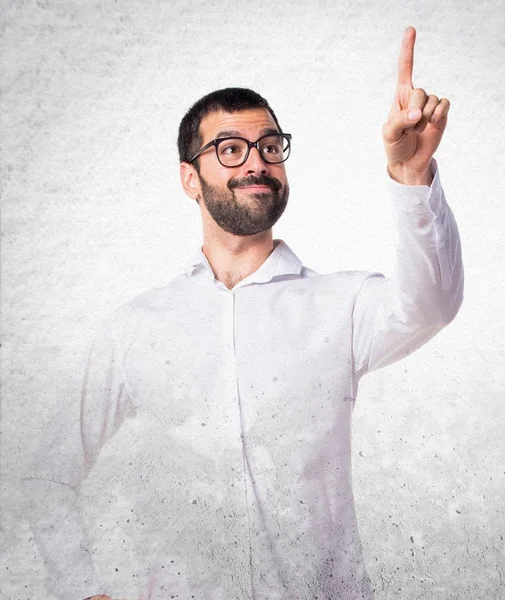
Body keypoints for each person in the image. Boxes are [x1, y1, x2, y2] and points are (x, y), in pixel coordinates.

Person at [21, 26, 463, 600]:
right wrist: (80, 587)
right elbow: (46, 476)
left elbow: (432, 304)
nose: (256, 163)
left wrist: (411, 175)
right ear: (190, 180)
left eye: (269, 146)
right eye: (230, 149)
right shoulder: (138, 329)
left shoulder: (341, 306)